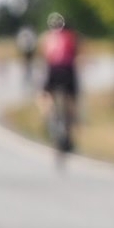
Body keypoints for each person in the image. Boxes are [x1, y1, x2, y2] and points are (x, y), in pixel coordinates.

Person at [38, 12, 81, 144]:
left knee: (45, 95)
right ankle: (72, 122)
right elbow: (76, 55)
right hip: (68, 69)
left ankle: (48, 117)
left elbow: (44, 56)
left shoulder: (47, 36)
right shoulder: (72, 36)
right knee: (72, 97)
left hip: (53, 69)